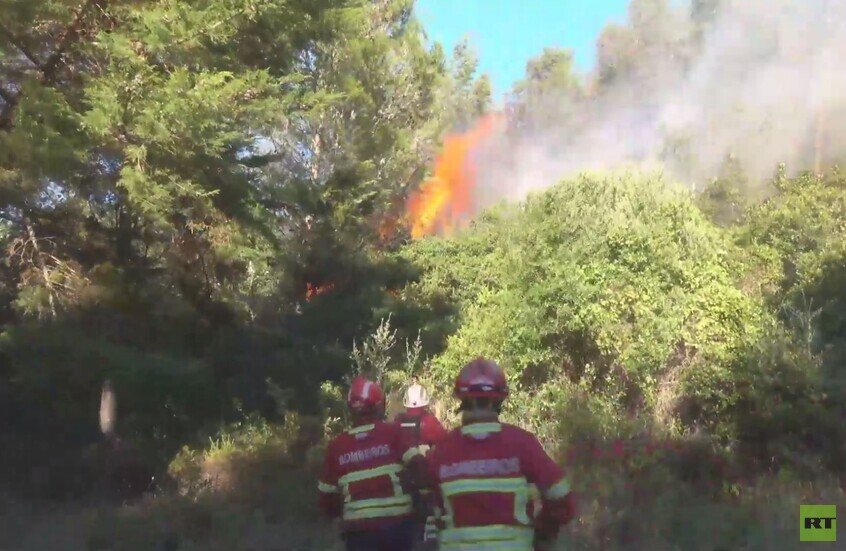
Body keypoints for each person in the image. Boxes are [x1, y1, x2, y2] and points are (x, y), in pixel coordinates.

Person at [422, 357, 577, 551]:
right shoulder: (522, 443)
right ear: (499, 399)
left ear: (462, 400)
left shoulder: (443, 450)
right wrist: (543, 533)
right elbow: (561, 498)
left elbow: (431, 509)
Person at [317, 375, 425, 551]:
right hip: (397, 526)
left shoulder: (337, 446)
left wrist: (340, 519)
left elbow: (326, 498)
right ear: (378, 406)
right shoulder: (393, 433)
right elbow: (419, 465)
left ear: (350, 410)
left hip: (358, 531)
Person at [394, 378, 448, 549]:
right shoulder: (430, 422)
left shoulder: (397, 422)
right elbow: (446, 445)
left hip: (401, 485)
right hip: (425, 483)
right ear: (425, 400)